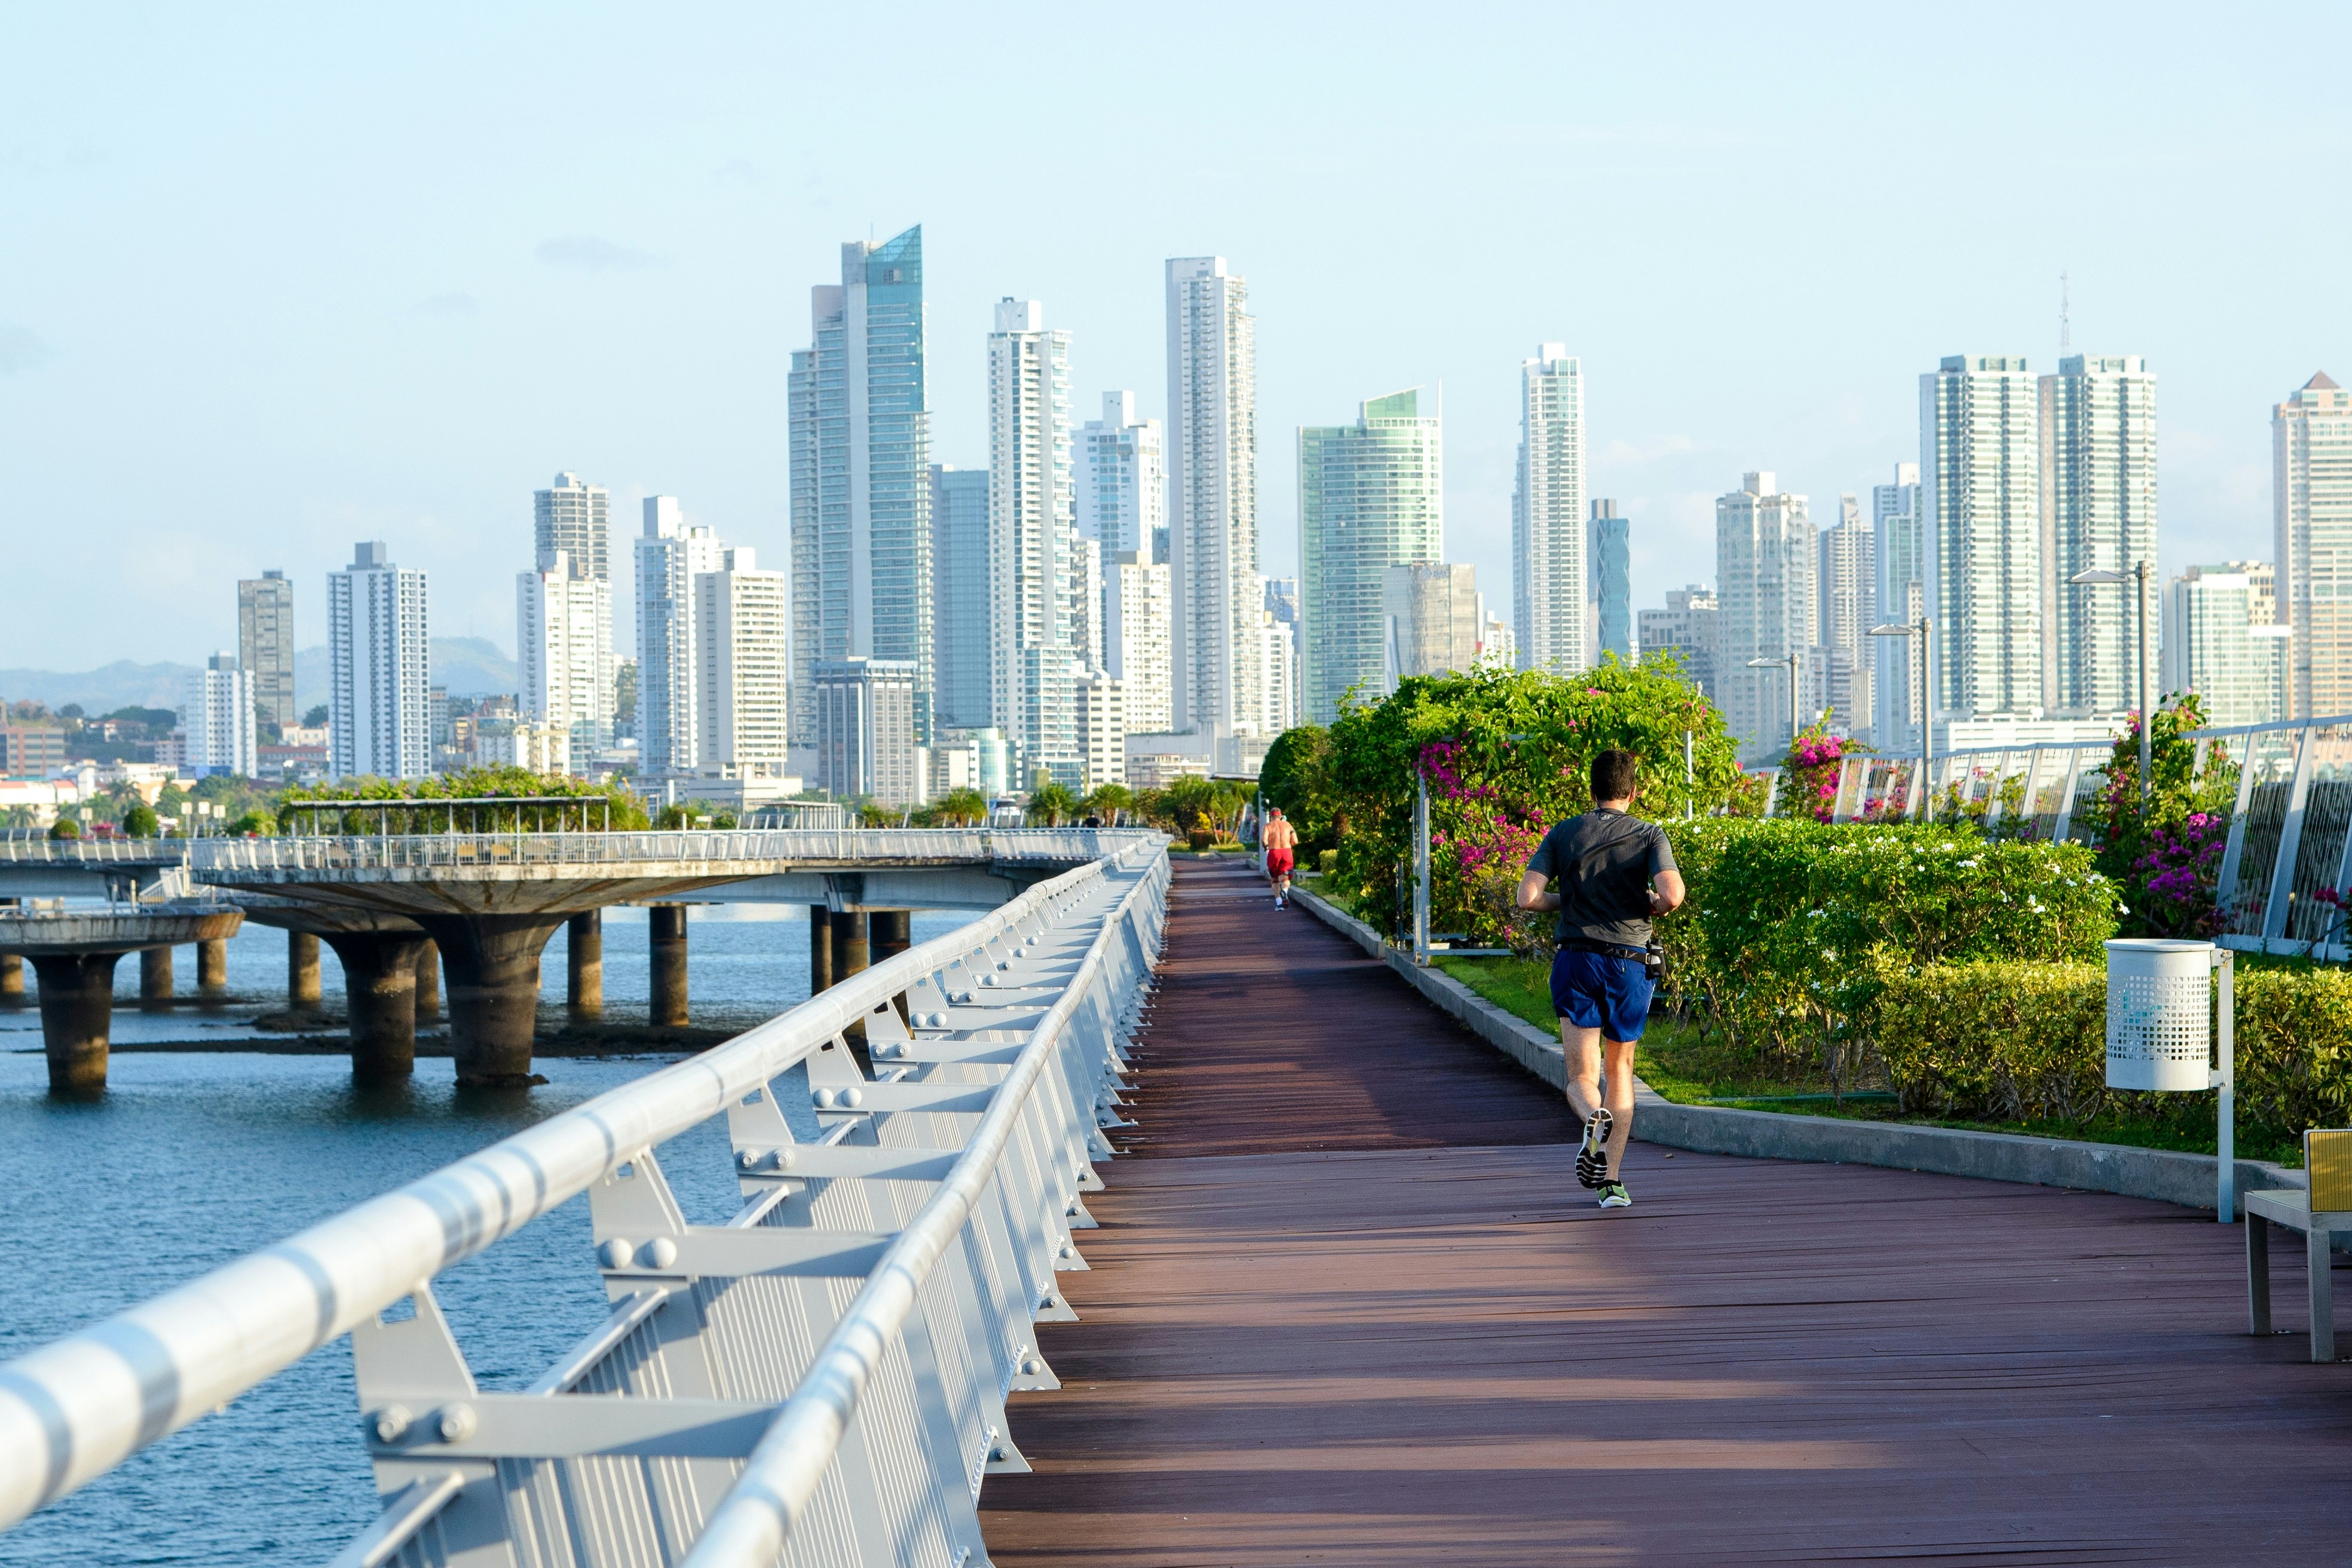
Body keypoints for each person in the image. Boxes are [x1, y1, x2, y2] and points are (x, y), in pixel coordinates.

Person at [1515, 748, 1685, 1208]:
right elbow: (1673, 894)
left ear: (1591, 790)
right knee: (1620, 1069)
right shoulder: (1650, 834)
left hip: (1577, 960)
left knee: (1581, 1076)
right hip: (1630, 962)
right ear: (1633, 791)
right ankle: (1611, 1182)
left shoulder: (1564, 832)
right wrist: (1651, 904)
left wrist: (1566, 904)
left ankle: (1594, 1117)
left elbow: (1527, 896)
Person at [1261, 806, 1299, 908]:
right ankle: (1285, 891)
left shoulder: (1268, 826)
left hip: (1274, 852)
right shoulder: (1288, 825)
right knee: (1286, 877)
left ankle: (1278, 902)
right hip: (1287, 852)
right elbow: (1295, 841)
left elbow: (1264, 840)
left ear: (1271, 816)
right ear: (1281, 816)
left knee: (1275, 879)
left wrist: (1266, 847)